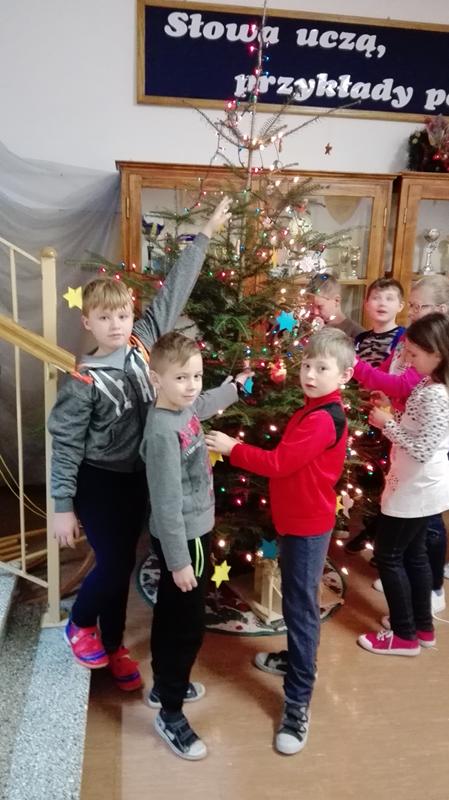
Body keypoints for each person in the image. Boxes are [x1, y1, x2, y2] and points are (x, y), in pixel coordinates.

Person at [48, 197, 232, 690]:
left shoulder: (143, 342)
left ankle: (112, 646)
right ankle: (79, 622)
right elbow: (65, 445)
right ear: (87, 322)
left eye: (123, 315)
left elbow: (176, 289)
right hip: (100, 482)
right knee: (112, 564)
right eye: (105, 317)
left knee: (123, 563)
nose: (116, 324)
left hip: (140, 480)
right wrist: (62, 506)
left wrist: (206, 234)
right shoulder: (83, 380)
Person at [205, 328, 354, 755]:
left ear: (343, 376)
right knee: (295, 600)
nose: (309, 374)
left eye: (321, 368)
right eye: (306, 365)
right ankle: (297, 661)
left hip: (308, 527)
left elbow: (280, 463)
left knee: (301, 610)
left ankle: (298, 700)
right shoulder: (312, 409)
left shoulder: (323, 418)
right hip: (294, 522)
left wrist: (233, 448)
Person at [140, 332, 247, 761]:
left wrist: (233, 388)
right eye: (181, 377)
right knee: (187, 625)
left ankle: (165, 685)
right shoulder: (163, 432)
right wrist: (180, 560)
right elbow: (166, 503)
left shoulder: (182, 408)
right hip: (184, 538)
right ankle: (170, 713)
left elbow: (202, 404)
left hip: (189, 535)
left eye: (197, 376)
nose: (191, 386)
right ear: (156, 380)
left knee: (171, 612)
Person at [347, 277, 449, 615]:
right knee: (412, 544)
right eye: (413, 305)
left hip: (421, 477)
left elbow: (422, 446)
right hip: (410, 463)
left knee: (419, 533)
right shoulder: (424, 362)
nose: (414, 313)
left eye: (420, 306)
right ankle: (416, 601)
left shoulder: (435, 386)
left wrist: (387, 422)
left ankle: (429, 593)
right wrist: (392, 409)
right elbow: (402, 390)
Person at [354, 277, 406, 366]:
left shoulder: (405, 339)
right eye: (376, 298)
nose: (382, 303)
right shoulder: (360, 339)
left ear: (400, 306)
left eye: (389, 299)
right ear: (366, 304)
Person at [307, 272, 364, 339]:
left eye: (319, 307)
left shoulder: (357, 334)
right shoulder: (308, 326)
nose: (315, 312)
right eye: (311, 306)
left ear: (337, 301)